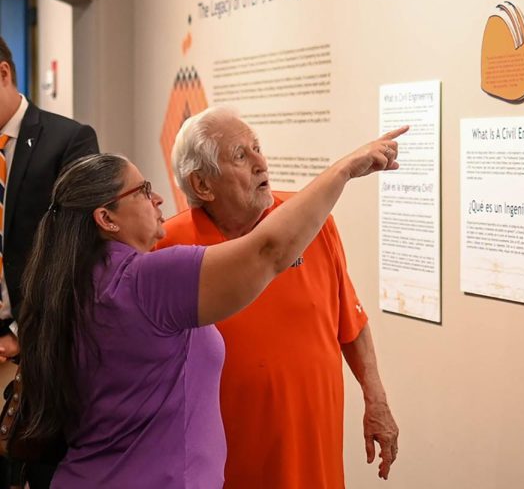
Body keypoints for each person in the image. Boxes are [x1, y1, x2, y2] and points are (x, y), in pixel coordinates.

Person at [16, 126, 404, 488]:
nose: (157, 198)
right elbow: (268, 252)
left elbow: (347, 317)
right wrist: (344, 171)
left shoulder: (70, 280)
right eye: (142, 190)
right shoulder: (149, 277)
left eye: (257, 148)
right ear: (106, 219)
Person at [158, 107, 399, 488]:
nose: (260, 162)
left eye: (257, 148)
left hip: (312, 455)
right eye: (241, 155)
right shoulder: (169, 249)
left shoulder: (312, 222)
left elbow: (350, 322)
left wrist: (377, 400)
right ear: (202, 185)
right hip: (226, 465)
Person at [0, 35, 98, 489]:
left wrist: (22, 333)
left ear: (3, 75)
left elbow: (77, 248)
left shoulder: (69, 140)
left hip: (38, 347)